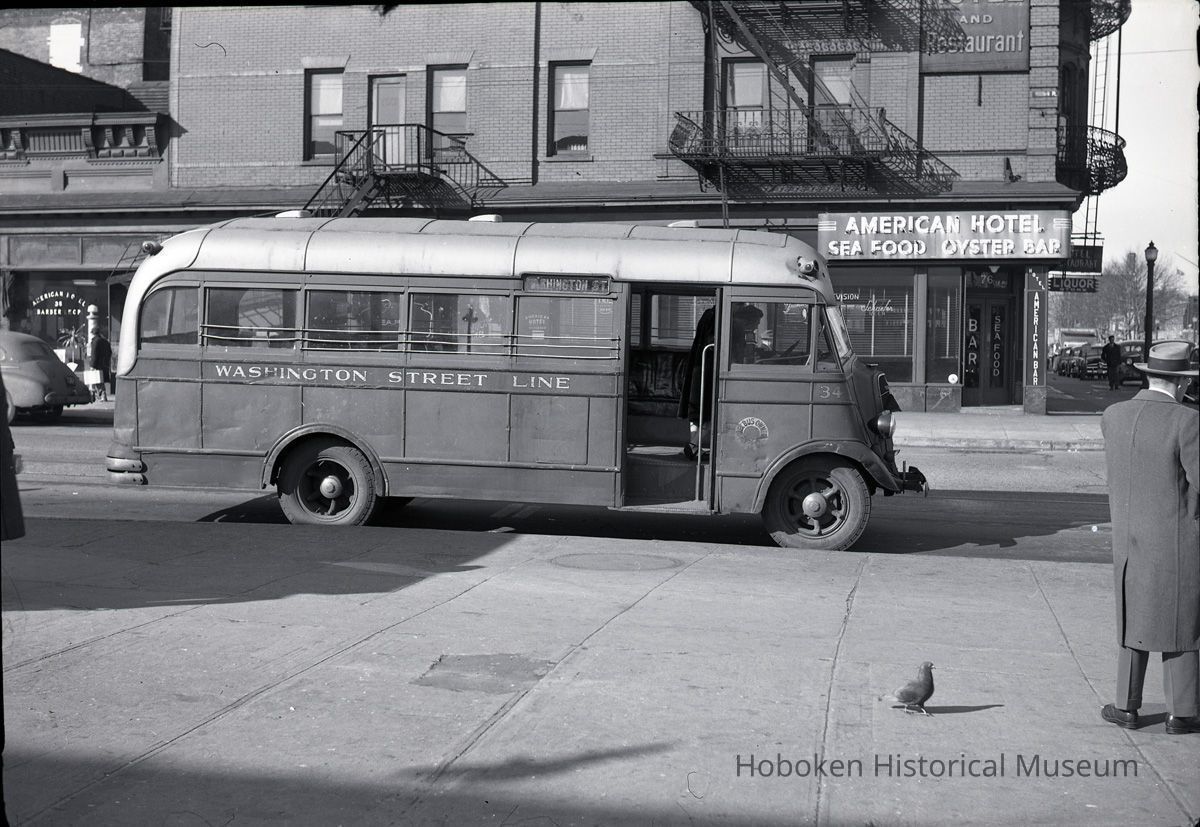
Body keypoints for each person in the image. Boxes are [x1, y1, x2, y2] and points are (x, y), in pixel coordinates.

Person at [1099, 340, 1200, 735]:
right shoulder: (1187, 422)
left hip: (1128, 539)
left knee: (1133, 617)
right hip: (1175, 538)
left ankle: (1126, 706)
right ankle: (1183, 712)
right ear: (1179, 383)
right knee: (1181, 623)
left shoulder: (1113, 416)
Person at [678, 306, 716, 458]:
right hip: (708, 370)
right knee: (709, 414)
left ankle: (693, 446)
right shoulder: (720, 316)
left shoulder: (707, 314)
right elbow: (714, 343)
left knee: (696, 413)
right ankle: (694, 445)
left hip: (697, 367)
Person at [88, 328, 113, 402]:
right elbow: (110, 352)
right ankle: (101, 395)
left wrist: (92, 365)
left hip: (97, 364)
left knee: (95, 379)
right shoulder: (105, 341)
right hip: (104, 364)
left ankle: (98, 395)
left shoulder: (95, 341)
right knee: (99, 380)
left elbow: (94, 354)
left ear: (93, 334)